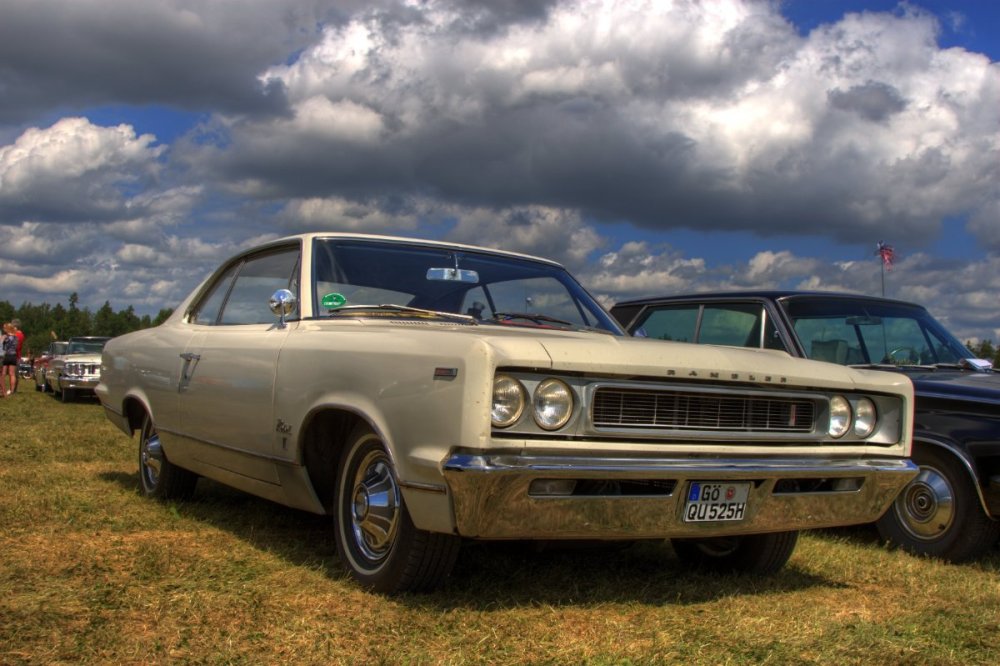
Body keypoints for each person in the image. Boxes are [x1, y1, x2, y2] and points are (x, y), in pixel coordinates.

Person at [1, 323, 17, 396]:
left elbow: (2, 346)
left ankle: (2, 389)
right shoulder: (15, 337)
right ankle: (12, 390)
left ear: (7, 329)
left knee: (3, 373)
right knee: (12, 374)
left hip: (7, 355)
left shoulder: (6, 337)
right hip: (13, 356)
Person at [10, 319, 24, 393]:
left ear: (15, 326)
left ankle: (13, 389)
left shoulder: (17, 335)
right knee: (15, 373)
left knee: (13, 374)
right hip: (17, 356)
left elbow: (15, 346)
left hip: (14, 355)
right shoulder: (21, 334)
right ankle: (14, 389)